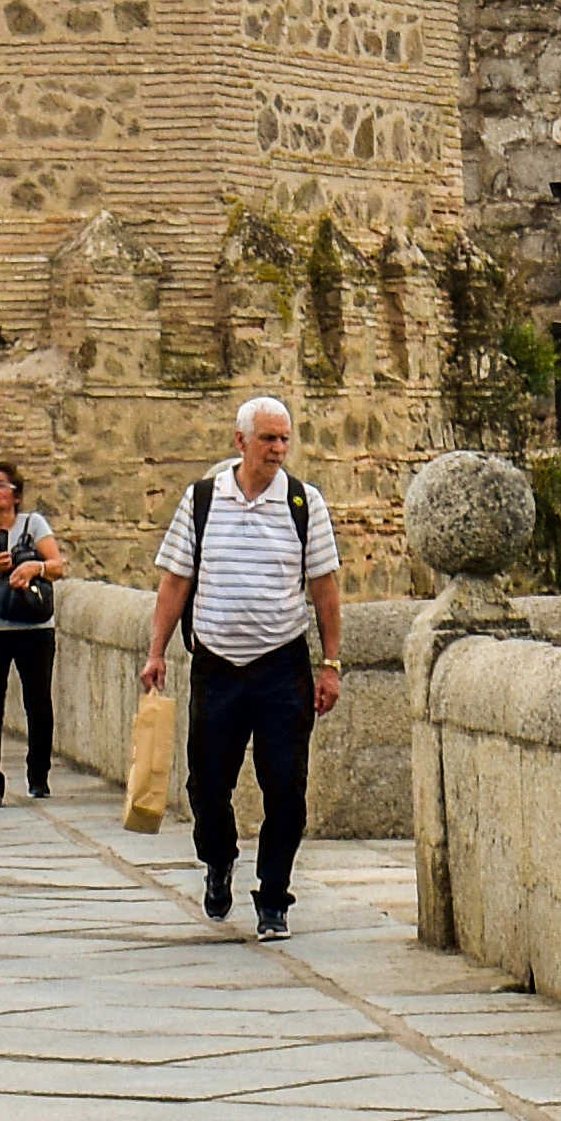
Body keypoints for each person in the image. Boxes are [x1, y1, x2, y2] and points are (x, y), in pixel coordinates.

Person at [137, 391, 341, 938]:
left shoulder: (305, 503)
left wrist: (332, 663)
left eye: (283, 440)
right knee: (206, 785)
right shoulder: (202, 499)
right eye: (267, 439)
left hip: (282, 666)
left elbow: (324, 586)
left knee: (285, 789)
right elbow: (175, 579)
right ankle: (219, 860)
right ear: (240, 442)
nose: (277, 450)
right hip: (216, 666)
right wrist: (156, 652)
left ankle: (273, 897)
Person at [0, 459, 62, 808]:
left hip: (34, 626)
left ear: (16, 494)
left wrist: (36, 566)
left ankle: (39, 775)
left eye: (1, 484)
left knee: (38, 701)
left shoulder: (35, 524)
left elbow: (58, 566)